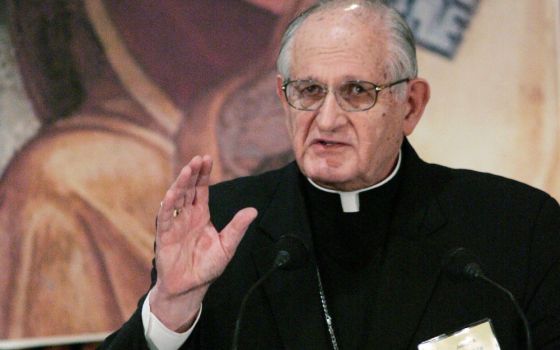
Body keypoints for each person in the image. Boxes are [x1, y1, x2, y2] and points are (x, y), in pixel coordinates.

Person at [100, 1, 560, 349]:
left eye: (358, 91)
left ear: (411, 105)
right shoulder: (221, 225)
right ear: (283, 97)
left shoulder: (518, 225)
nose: (326, 120)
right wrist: (169, 310)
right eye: (309, 90)